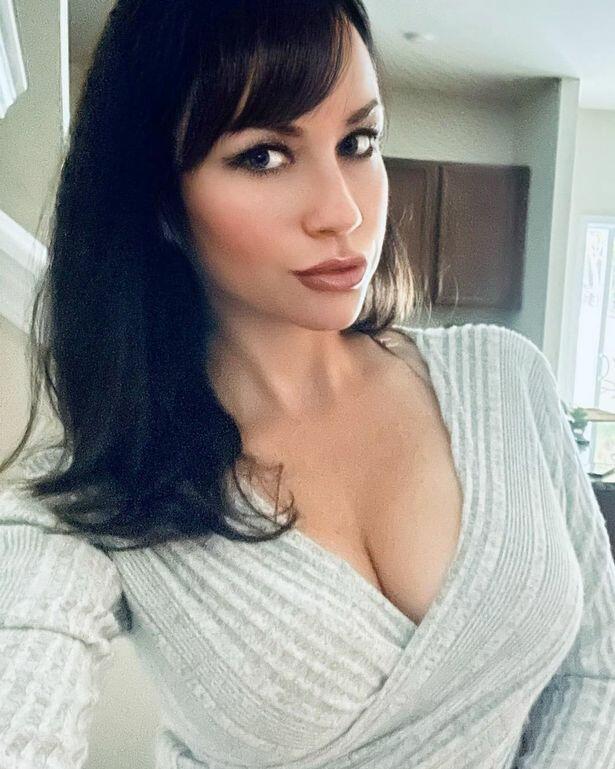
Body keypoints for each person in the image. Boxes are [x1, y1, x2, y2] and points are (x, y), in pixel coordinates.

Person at [1, 1, 614, 767]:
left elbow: (595, 670)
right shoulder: (95, 496)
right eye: (262, 155)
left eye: (358, 142)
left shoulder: (506, 378)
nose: (343, 211)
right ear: (157, 197)